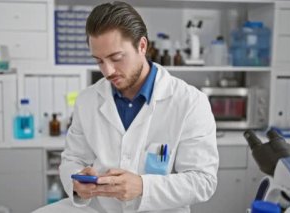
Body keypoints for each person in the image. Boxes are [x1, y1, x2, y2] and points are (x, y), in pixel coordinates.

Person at [33, 1, 218, 213]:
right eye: (99, 61)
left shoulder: (190, 102)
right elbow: (72, 159)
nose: (108, 71)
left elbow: (203, 181)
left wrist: (142, 187)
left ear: (142, 46)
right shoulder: (87, 100)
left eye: (116, 58)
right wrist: (77, 184)